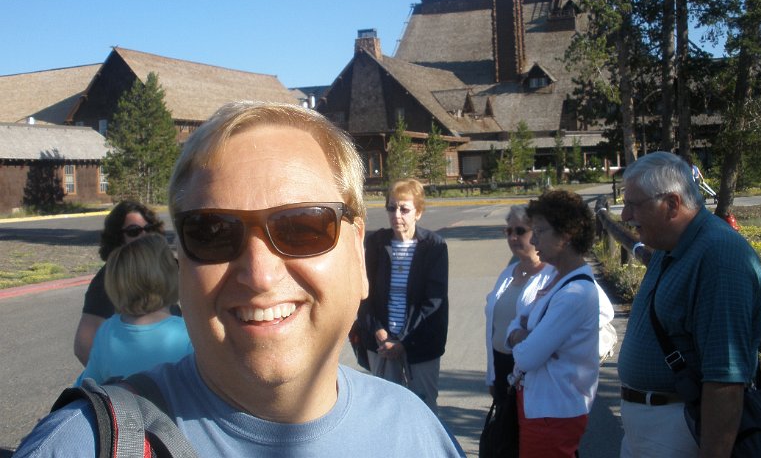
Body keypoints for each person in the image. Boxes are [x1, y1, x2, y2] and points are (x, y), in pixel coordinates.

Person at [16, 101, 461, 457]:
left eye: (303, 227)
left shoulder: (417, 432)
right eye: (212, 232)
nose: (259, 275)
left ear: (359, 257)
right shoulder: (83, 445)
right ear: (181, 267)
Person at [617, 151, 761, 458]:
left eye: (634, 204)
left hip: (680, 429)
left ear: (671, 204)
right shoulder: (671, 245)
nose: (624, 216)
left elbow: (725, 377)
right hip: (651, 428)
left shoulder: (719, 257)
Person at [506, 190, 602, 458]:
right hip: (541, 406)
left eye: (540, 231)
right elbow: (517, 321)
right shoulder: (555, 277)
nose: (533, 239)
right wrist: (523, 335)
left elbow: (527, 357)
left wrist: (524, 338)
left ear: (567, 234)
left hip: (554, 411)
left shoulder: (575, 293)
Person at [359, 178, 449, 414]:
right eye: (391, 207)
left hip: (421, 343)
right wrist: (378, 331)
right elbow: (363, 292)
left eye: (404, 209)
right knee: (386, 409)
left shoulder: (434, 247)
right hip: (381, 342)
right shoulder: (377, 242)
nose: (396, 215)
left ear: (418, 213)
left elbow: (433, 303)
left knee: (424, 408)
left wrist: (403, 342)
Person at [76, 234, 192, 385]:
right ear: (167, 275)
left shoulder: (107, 331)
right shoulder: (189, 334)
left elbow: (87, 385)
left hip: (124, 408)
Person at [73, 200, 165, 365]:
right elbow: (83, 346)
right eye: (134, 231)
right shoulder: (108, 280)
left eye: (148, 229)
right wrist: (122, 381)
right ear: (118, 237)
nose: (144, 236)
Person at [484, 205, 556, 404]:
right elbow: (494, 329)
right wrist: (491, 375)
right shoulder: (507, 273)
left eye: (520, 231)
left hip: (532, 373)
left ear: (538, 233)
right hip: (501, 368)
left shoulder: (554, 274)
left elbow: (601, 310)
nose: (513, 237)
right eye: (509, 231)